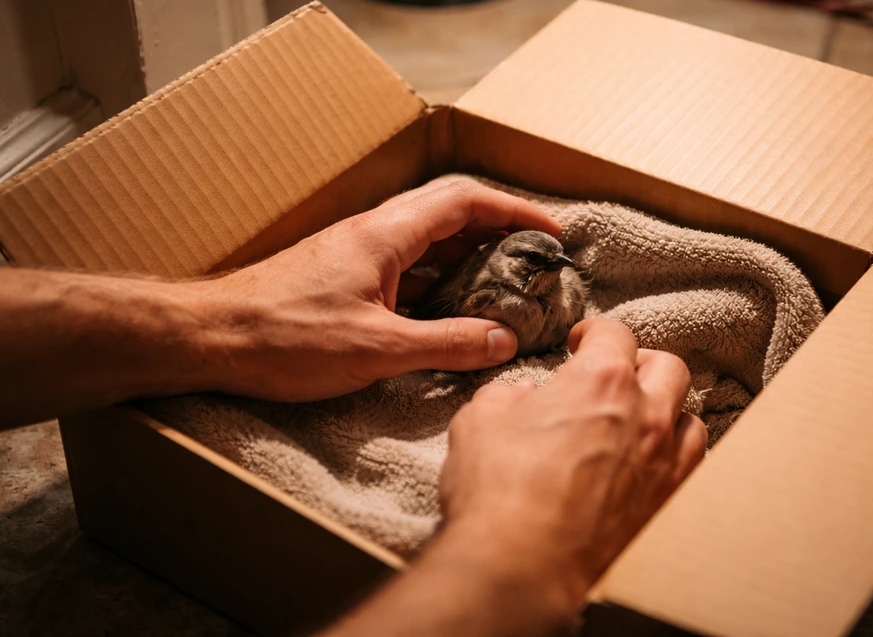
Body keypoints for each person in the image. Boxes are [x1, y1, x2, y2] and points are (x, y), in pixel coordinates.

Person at [1, 177, 707, 636]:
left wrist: (223, 326)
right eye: (534, 267)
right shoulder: (481, 293)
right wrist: (528, 550)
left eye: (557, 271)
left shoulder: (566, 293)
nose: (551, 279)